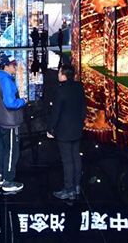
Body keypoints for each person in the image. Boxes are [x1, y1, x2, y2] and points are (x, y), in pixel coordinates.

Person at [46, 63, 86, 200]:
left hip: (64, 131)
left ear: (63, 75)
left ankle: (69, 190)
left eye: (59, 72)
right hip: (77, 129)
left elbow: (56, 113)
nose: (58, 74)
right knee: (76, 157)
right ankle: (77, 186)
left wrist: (50, 129)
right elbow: (83, 109)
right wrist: (80, 123)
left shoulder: (60, 90)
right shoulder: (79, 87)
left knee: (67, 160)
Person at [0, 55, 26, 193]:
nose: (15, 67)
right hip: (10, 122)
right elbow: (10, 103)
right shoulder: (6, 80)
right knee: (12, 151)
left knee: (3, 149)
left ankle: (1, 176)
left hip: (3, 120)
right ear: (6, 66)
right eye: (13, 65)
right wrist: (23, 101)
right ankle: (8, 181)